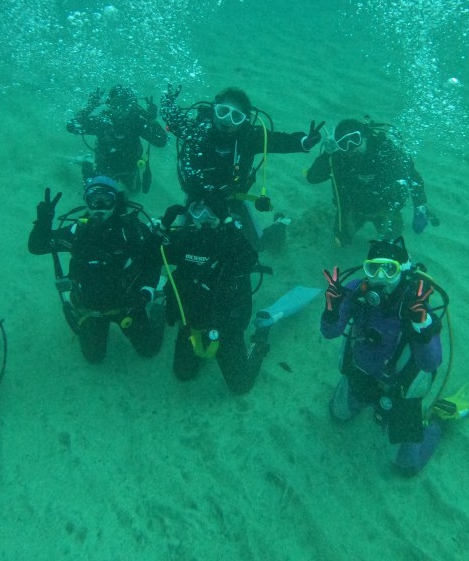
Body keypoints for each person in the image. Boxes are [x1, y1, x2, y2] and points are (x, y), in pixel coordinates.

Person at [320, 238, 447, 475]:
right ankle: (362, 400)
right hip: (361, 375)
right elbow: (330, 332)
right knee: (337, 415)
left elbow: (430, 362)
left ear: (403, 272)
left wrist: (421, 324)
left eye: (390, 270)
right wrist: (331, 310)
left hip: (400, 390)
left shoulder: (415, 307)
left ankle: (438, 423)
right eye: (373, 268)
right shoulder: (356, 290)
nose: (379, 277)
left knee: (406, 467)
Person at [160, 84, 323, 248]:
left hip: (232, 200)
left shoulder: (249, 138)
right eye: (223, 112)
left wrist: (304, 142)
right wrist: (167, 98)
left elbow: (278, 141)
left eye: (236, 116)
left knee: (255, 246)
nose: (227, 120)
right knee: (182, 246)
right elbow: (171, 117)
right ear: (214, 110)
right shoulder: (196, 131)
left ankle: (279, 225)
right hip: (198, 200)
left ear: (243, 120)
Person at [28, 176, 165, 363]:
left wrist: (147, 291)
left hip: (129, 303)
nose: (100, 205)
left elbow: (153, 260)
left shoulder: (133, 231)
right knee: (93, 357)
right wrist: (43, 222)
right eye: (94, 199)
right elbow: (38, 246)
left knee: (149, 349)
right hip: (91, 306)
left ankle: (158, 310)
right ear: (86, 201)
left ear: (117, 201)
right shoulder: (78, 232)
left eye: (106, 199)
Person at [158, 197, 270, 395]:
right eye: (198, 212)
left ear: (222, 214)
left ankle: (260, 337)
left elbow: (250, 257)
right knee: (182, 373)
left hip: (226, 329)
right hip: (192, 325)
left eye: (212, 212)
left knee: (240, 385)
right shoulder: (185, 239)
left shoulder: (232, 241)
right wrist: (164, 226)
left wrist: (227, 221)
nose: (206, 218)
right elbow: (155, 254)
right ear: (191, 216)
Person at [306, 117, 432, 246]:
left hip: (386, 208)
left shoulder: (386, 152)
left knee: (392, 243)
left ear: (365, 135)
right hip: (352, 208)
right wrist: (327, 154)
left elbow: (413, 177)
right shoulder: (339, 158)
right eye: (344, 144)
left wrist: (419, 208)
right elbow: (313, 178)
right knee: (341, 241)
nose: (351, 147)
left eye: (355, 139)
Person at [66, 85, 168, 192]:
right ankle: (87, 166)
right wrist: (89, 107)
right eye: (116, 104)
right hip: (105, 166)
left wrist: (152, 120)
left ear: (133, 106)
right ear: (109, 104)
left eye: (125, 105)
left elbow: (162, 142)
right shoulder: (102, 122)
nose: (120, 110)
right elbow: (71, 126)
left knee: (134, 192)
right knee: (94, 191)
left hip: (130, 166)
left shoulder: (136, 122)